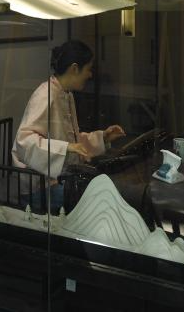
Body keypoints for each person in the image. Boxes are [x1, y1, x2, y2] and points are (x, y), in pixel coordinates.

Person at [12, 40, 125, 212]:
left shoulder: (65, 93)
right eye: (88, 69)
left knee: (103, 189)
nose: (90, 75)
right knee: (98, 197)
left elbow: (72, 142)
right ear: (74, 68)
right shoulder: (45, 95)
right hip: (38, 189)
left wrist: (103, 138)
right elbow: (24, 142)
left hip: (58, 179)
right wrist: (66, 147)